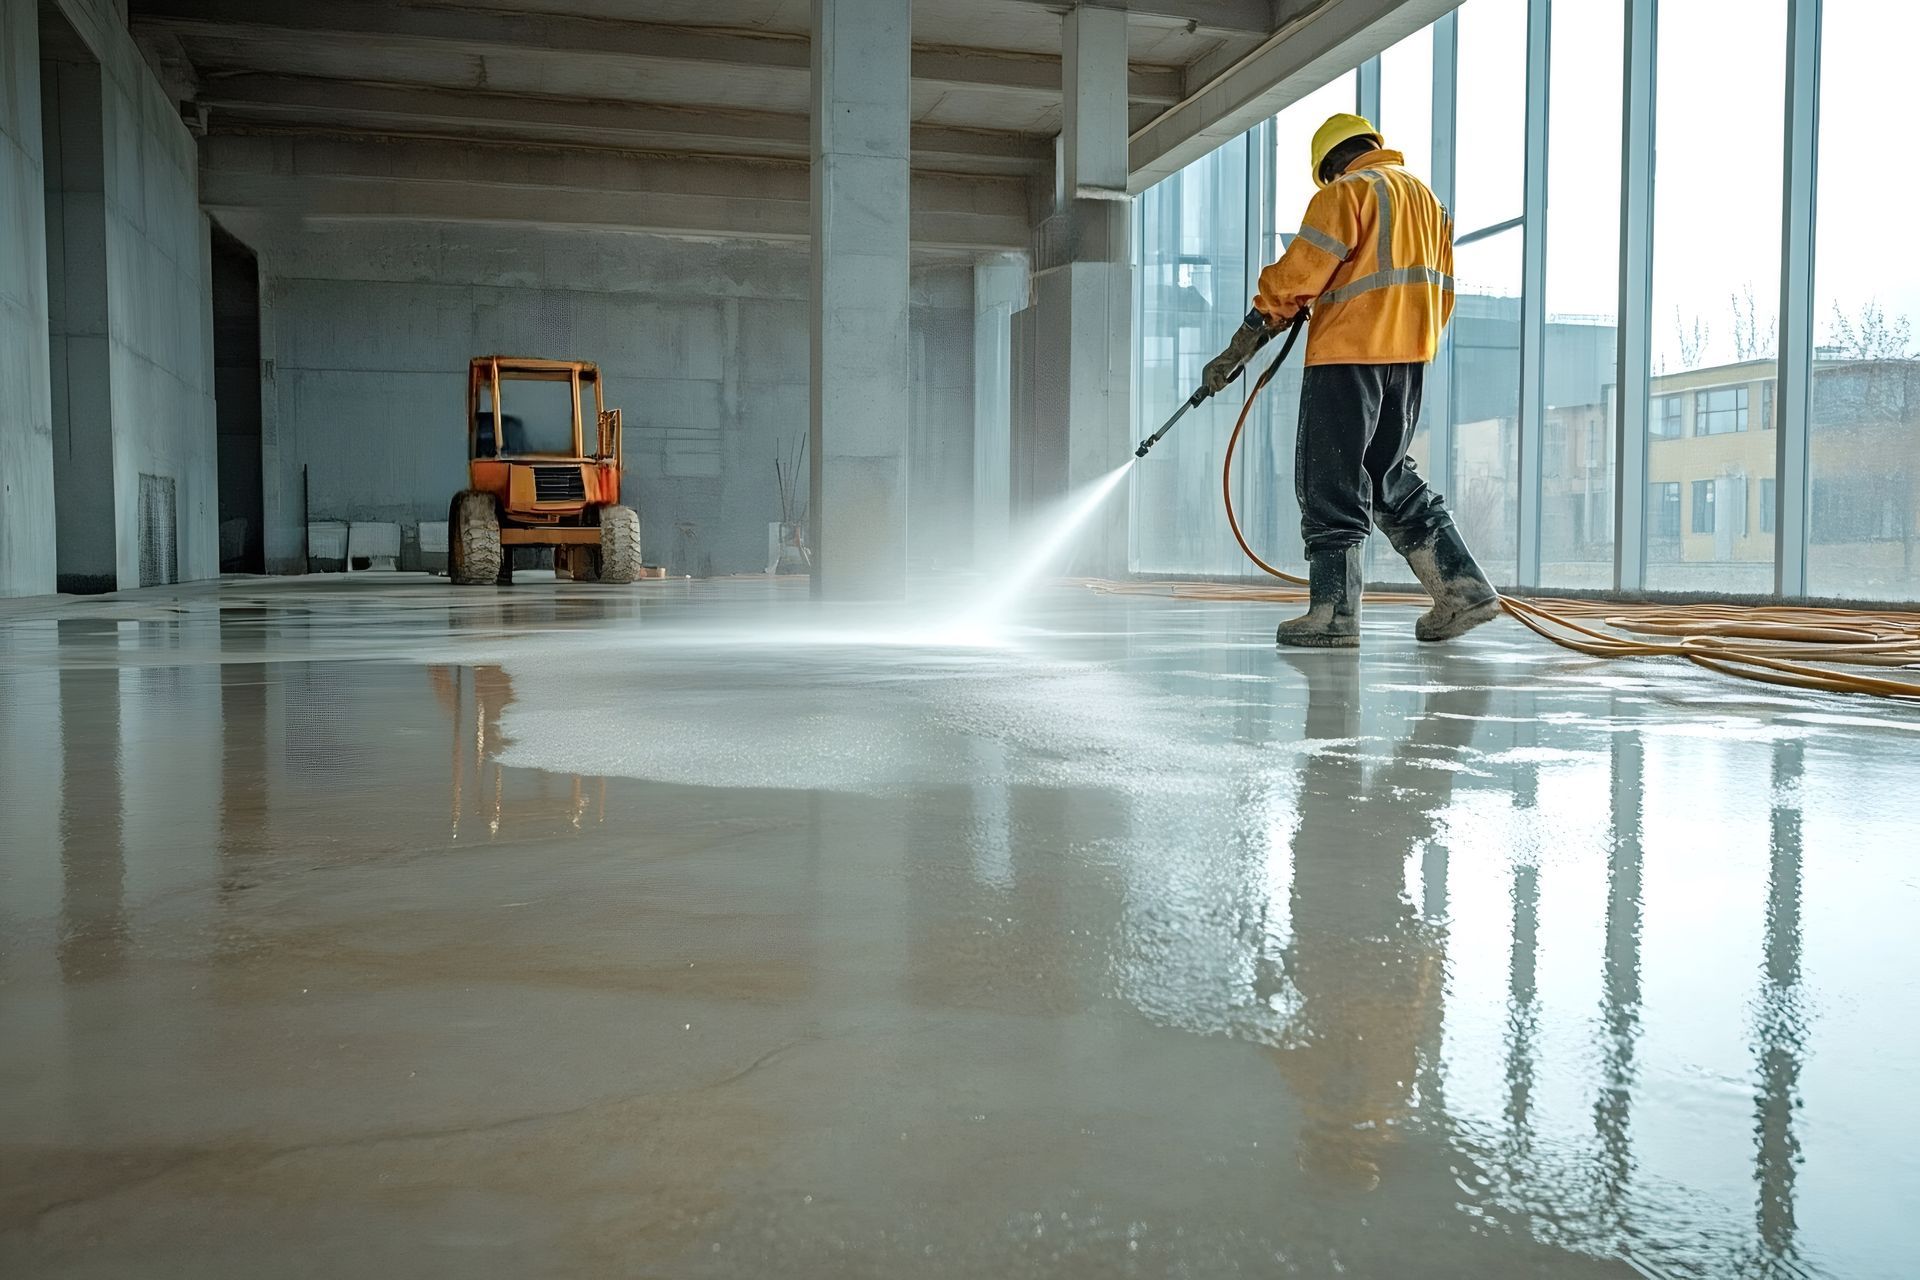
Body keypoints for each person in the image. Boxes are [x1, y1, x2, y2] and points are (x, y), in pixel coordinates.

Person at [1202, 113, 1500, 648]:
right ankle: (1462, 589)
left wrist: (1244, 339)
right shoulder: (1430, 204)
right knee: (1387, 476)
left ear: (1331, 163)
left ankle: (1334, 614)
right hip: (1409, 357)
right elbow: (1440, 289)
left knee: (1329, 477)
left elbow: (1300, 272)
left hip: (1347, 353)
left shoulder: (1348, 191)